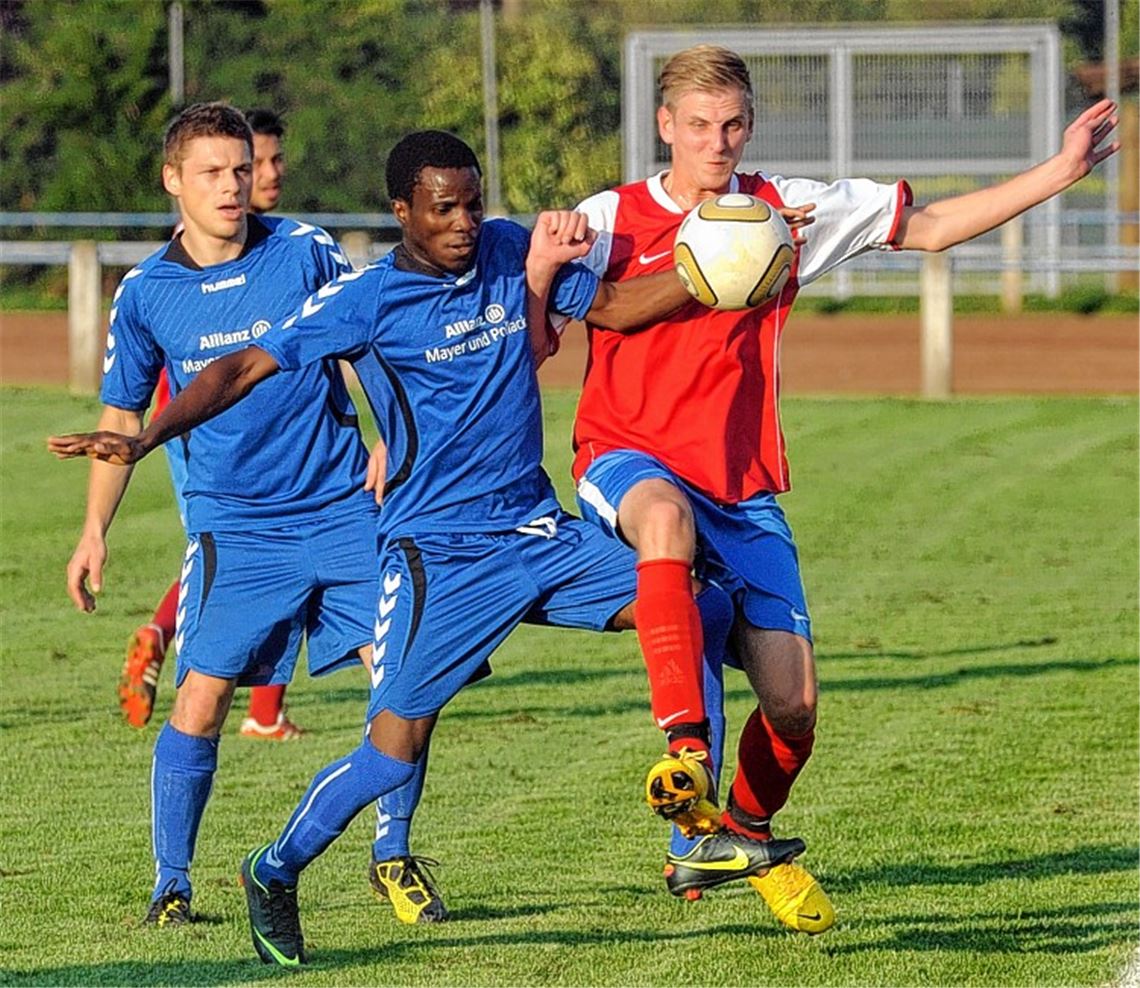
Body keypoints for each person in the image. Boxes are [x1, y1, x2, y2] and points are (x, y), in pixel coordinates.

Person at [49, 130, 808, 966]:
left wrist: (717, 271)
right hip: (439, 558)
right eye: (443, 209)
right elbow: (238, 369)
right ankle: (274, 868)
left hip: (537, 532)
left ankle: (692, 799)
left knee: (693, 600)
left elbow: (620, 308)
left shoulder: (511, 250)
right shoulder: (366, 298)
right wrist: (149, 435)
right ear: (402, 210)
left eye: (474, 203)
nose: (463, 223)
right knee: (391, 750)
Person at [568, 44, 1120, 934]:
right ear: (665, 126)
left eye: (734, 124)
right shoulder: (610, 217)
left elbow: (932, 226)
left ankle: (731, 832)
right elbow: (589, 310)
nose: (717, 142)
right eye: (699, 126)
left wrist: (1058, 169)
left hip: (743, 486)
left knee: (794, 708)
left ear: (750, 125)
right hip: (626, 455)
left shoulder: (788, 209)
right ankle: (684, 754)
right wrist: (695, 262)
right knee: (662, 519)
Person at [56, 101, 383, 928]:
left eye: (241, 169)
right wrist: (95, 530)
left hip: (344, 505)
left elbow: (371, 342)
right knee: (201, 699)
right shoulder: (146, 295)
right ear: (173, 181)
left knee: (404, 682)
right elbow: (122, 420)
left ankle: (394, 854)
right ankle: (173, 882)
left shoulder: (306, 251)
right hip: (233, 526)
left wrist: (388, 440)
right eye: (211, 172)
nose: (233, 186)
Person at [119, 107, 308, 742]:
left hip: (236, 435)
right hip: (201, 429)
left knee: (234, 554)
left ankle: (162, 634)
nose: (264, 177)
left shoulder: (290, 247)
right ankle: (261, 712)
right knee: (246, 551)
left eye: (265, 164)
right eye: (259, 163)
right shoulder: (169, 269)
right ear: (179, 178)